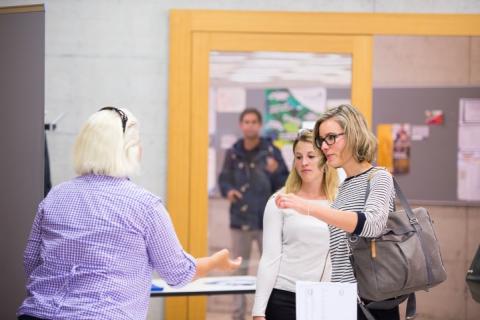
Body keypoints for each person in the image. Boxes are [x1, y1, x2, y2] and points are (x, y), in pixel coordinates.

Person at [17, 107, 242, 320]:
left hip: (37, 313)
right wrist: (214, 262)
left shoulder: (57, 195)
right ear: (128, 150)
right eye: (138, 142)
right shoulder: (145, 205)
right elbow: (178, 274)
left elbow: (31, 261)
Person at [275, 104, 399, 320]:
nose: (324, 146)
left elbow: (371, 224)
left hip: (374, 302)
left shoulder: (379, 177)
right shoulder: (344, 187)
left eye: (331, 137)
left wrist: (309, 208)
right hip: (345, 300)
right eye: (322, 140)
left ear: (353, 134)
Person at [252, 129, 338, 320]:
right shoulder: (280, 200)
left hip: (328, 298)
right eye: (298, 157)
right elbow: (270, 258)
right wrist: (258, 311)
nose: (303, 163)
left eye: (310, 156)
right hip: (285, 297)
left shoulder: (340, 201)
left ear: (325, 159)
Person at [218, 108, 289, 320]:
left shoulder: (271, 152)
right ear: (241, 125)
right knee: (238, 271)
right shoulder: (233, 152)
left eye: (253, 122)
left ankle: (266, 313)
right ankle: (237, 315)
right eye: (246, 122)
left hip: (267, 221)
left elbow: (286, 183)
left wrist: (275, 169)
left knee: (271, 268)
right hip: (240, 220)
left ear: (259, 125)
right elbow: (224, 179)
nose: (249, 125)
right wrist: (228, 190)